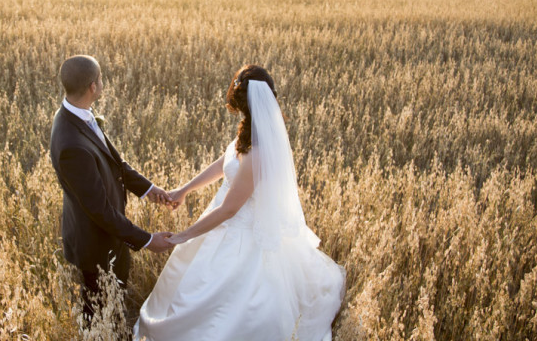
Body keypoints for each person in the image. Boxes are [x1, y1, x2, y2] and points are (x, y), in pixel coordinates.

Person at [134, 65, 346, 341]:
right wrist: (184, 189)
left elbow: (229, 210)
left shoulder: (258, 152)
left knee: (228, 299)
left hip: (241, 232)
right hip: (220, 223)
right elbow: (225, 163)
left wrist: (184, 236)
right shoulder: (249, 131)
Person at [49, 55, 175, 322]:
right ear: (93, 87)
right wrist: (148, 240)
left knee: (111, 306)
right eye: (101, 78)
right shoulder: (72, 145)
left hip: (107, 235)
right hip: (96, 243)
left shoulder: (75, 113)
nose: (103, 82)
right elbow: (100, 210)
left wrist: (149, 189)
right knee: (99, 315)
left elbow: (114, 162)